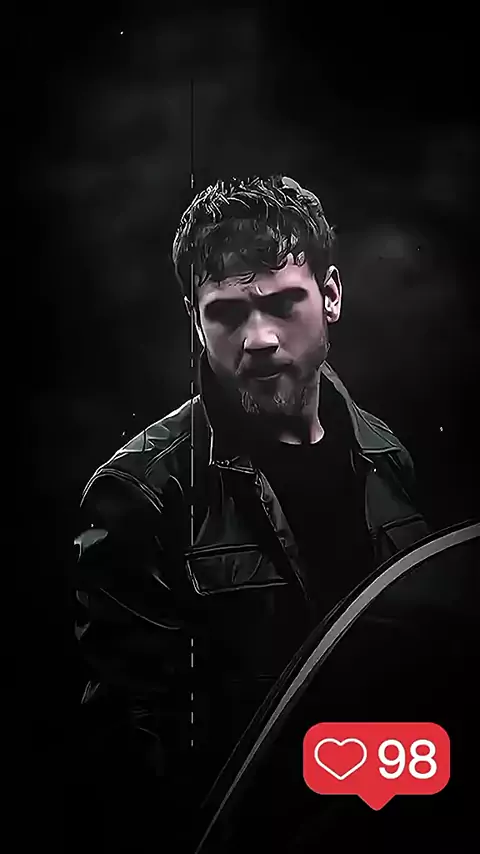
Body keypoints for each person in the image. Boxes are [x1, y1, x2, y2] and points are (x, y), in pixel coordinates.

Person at [72, 175, 430, 842]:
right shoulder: (142, 493)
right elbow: (131, 761)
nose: (259, 337)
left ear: (330, 296)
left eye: (282, 302)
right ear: (195, 320)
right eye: (228, 313)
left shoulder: (388, 457)